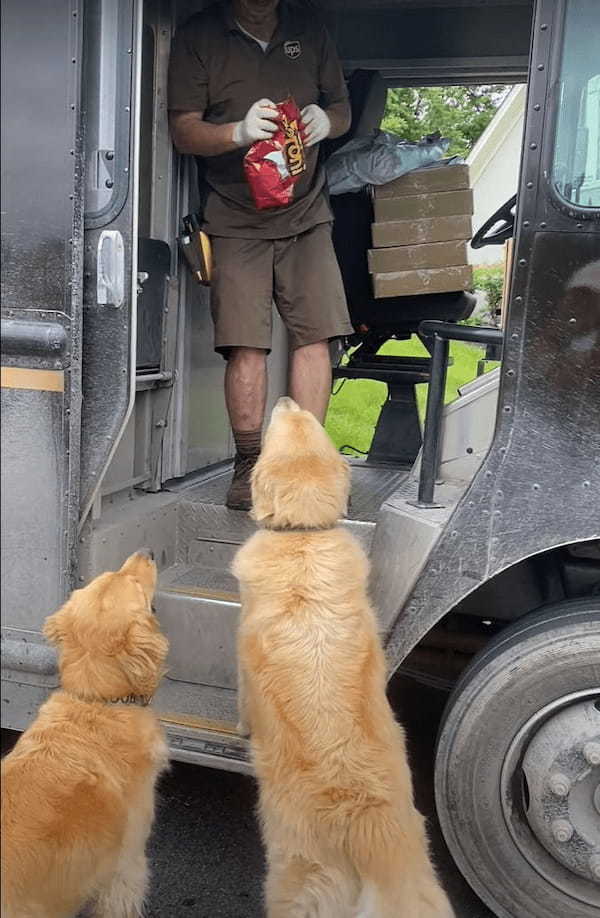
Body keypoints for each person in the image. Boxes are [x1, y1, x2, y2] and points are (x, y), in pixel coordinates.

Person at [168, 0, 353, 509]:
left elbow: (342, 108)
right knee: (245, 345)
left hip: (307, 213)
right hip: (232, 214)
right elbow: (183, 128)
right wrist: (237, 132)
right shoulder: (199, 35)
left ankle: (305, 467)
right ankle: (248, 467)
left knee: (315, 336)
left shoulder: (310, 29)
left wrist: (327, 122)